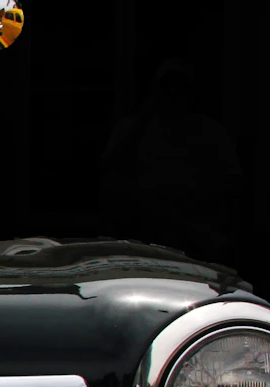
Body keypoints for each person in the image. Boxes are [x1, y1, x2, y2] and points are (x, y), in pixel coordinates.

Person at [99, 59, 245, 263]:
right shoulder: (133, 128)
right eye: (166, 86)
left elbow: (233, 181)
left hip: (196, 215)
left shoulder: (209, 131)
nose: (173, 93)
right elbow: (107, 168)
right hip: (145, 220)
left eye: (180, 86)